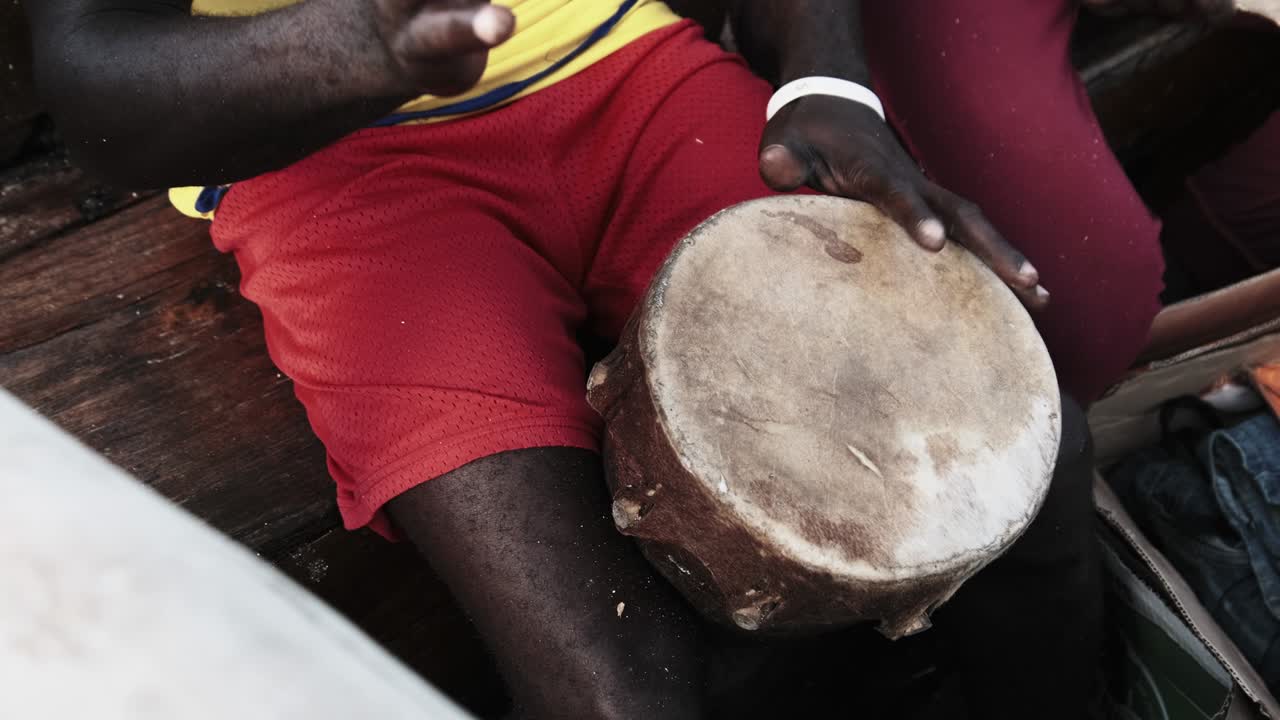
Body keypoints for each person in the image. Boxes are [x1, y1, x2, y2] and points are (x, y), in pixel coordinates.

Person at [23, 0, 1253, 717]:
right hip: (325, 160)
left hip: (622, 62)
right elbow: (97, 101)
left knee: (1021, 469)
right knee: (617, 690)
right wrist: (367, 45)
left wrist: (824, 84)